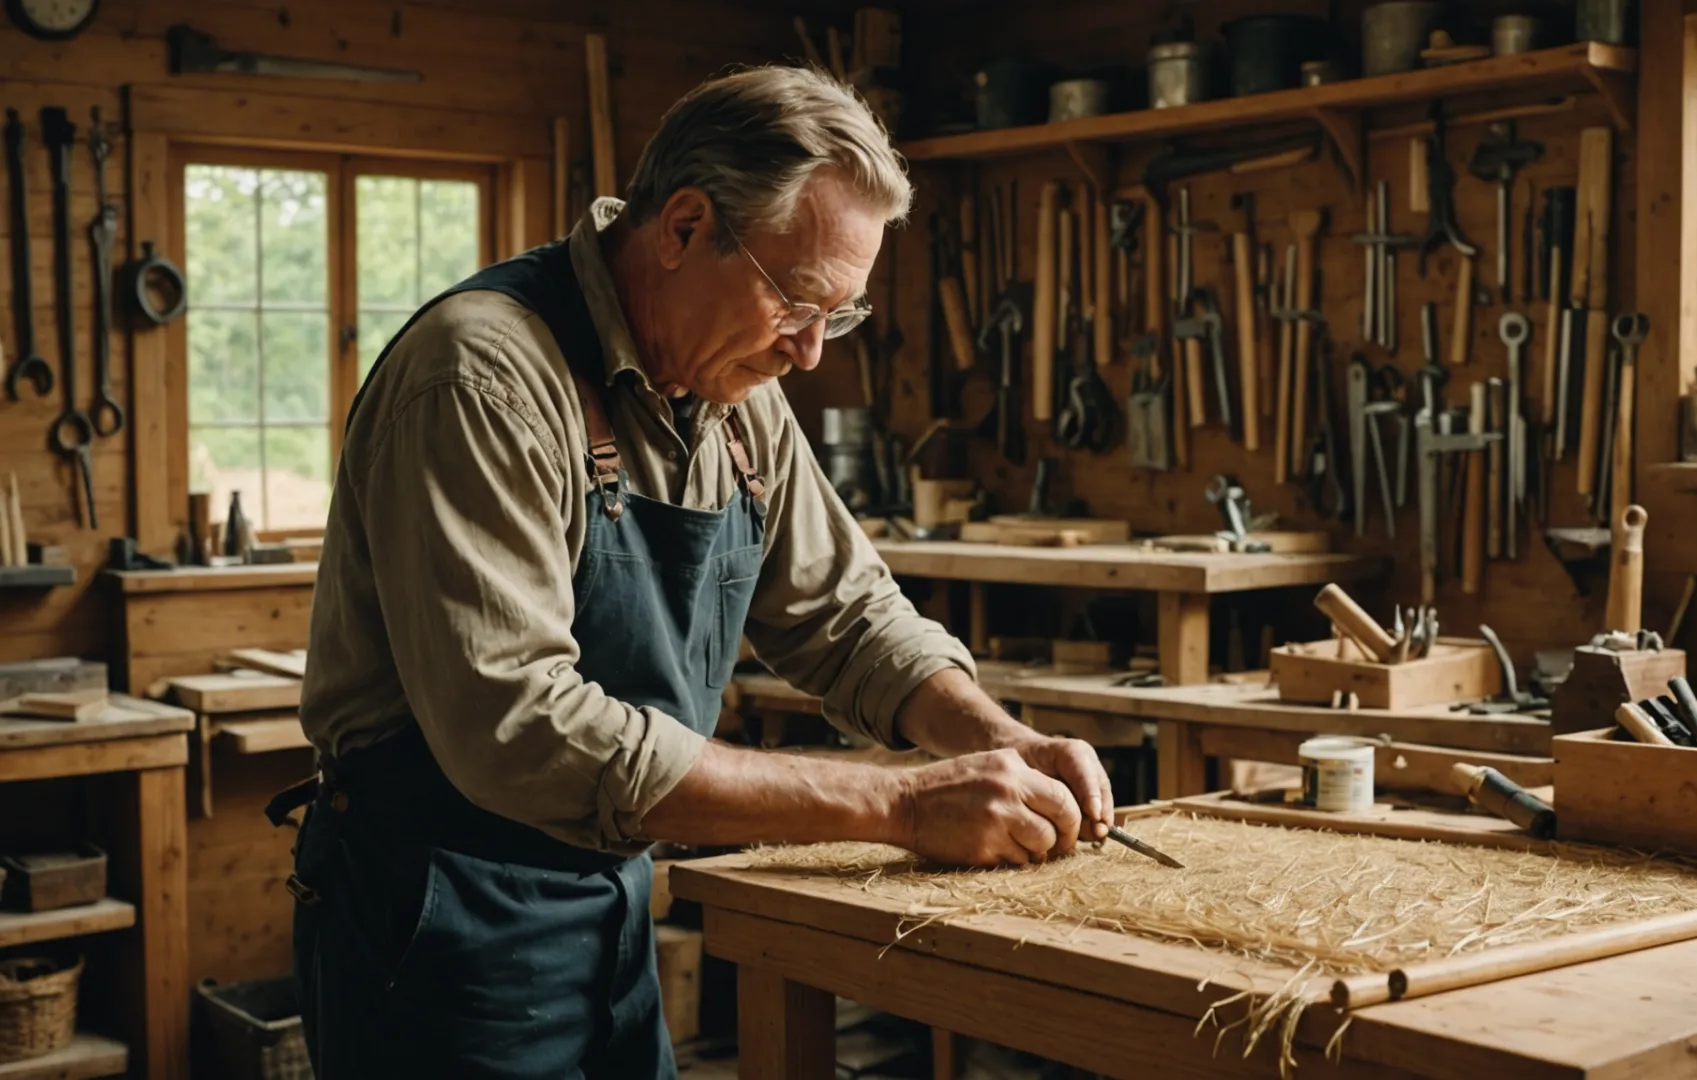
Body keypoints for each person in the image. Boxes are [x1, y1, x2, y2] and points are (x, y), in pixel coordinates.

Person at [275, 65, 1116, 1079]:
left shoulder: (735, 394)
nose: (811, 353)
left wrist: (999, 738)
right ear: (682, 229)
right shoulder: (483, 377)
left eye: (838, 317)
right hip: (438, 917)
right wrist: (898, 806)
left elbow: (845, 615)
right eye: (800, 302)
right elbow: (519, 726)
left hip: (611, 900)